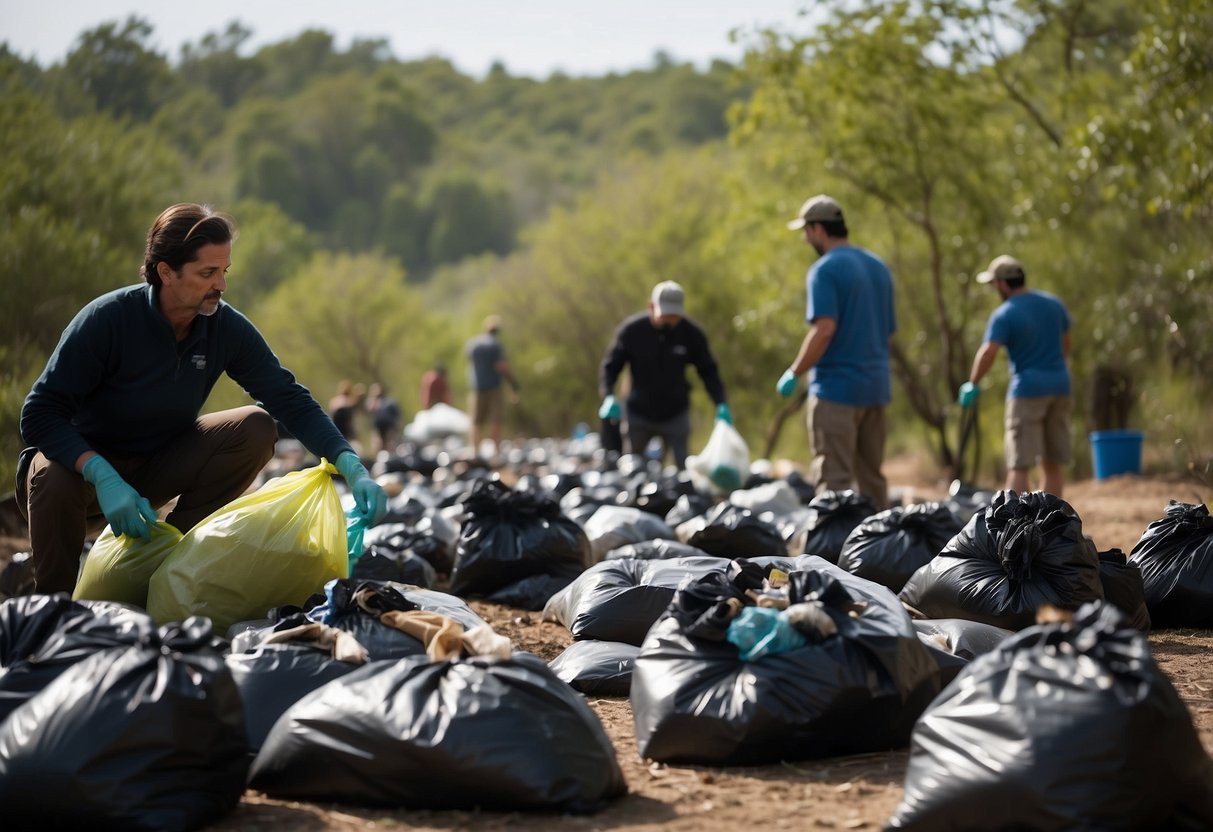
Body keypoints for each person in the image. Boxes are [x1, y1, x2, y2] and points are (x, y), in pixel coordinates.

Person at [16, 203, 388, 595]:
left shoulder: (223, 328)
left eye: (224, 271)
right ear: (166, 272)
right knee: (53, 474)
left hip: (154, 470)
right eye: (207, 273)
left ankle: (162, 560)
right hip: (81, 481)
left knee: (256, 427)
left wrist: (351, 465)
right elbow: (38, 414)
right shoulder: (107, 321)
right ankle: (53, 612)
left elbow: (287, 397)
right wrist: (101, 474)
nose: (221, 285)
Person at [776, 194, 896, 509]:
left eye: (806, 231)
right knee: (872, 478)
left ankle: (832, 554)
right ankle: (879, 550)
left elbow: (825, 329)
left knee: (834, 481)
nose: (805, 239)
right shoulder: (878, 267)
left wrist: (794, 371)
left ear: (818, 229)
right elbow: (887, 330)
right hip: (876, 388)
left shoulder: (825, 270)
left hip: (836, 392)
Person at [958, 254, 1072, 496]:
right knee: (1051, 465)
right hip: (1060, 386)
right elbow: (1066, 343)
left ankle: (1013, 528)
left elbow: (988, 352)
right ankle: (1052, 526)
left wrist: (973, 383)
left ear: (1001, 283)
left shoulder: (1005, 313)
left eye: (992, 284)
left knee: (1019, 465)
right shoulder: (1054, 304)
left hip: (1027, 391)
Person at [598, 281, 731, 468]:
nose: (669, 320)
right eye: (665, 315)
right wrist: (608, 395)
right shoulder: (631, 332)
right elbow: (610, 366)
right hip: (638, 413)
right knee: (632, 466)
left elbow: (708, 371)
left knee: (681, 468)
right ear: (651, 307)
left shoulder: (691, 335)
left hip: (675, 413)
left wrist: (720, 402)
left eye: (674, 316)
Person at [465, 315, 520, 458]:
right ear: (497, 331)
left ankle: (475, 451)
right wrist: (513, 382)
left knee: (476, 421)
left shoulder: (473, 344)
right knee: (496, 420)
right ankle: (496, 452)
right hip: (493, 387)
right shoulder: (495, 345)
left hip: (477, 387)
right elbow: (500, 365)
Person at [365, 382, 402, 455]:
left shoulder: (389, 402)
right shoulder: (373, 402)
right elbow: (368, 409)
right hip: (377, 429)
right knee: (378, 448)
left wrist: (396, 427)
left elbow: (397, 415)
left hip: (389, 429)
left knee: (391, 448)